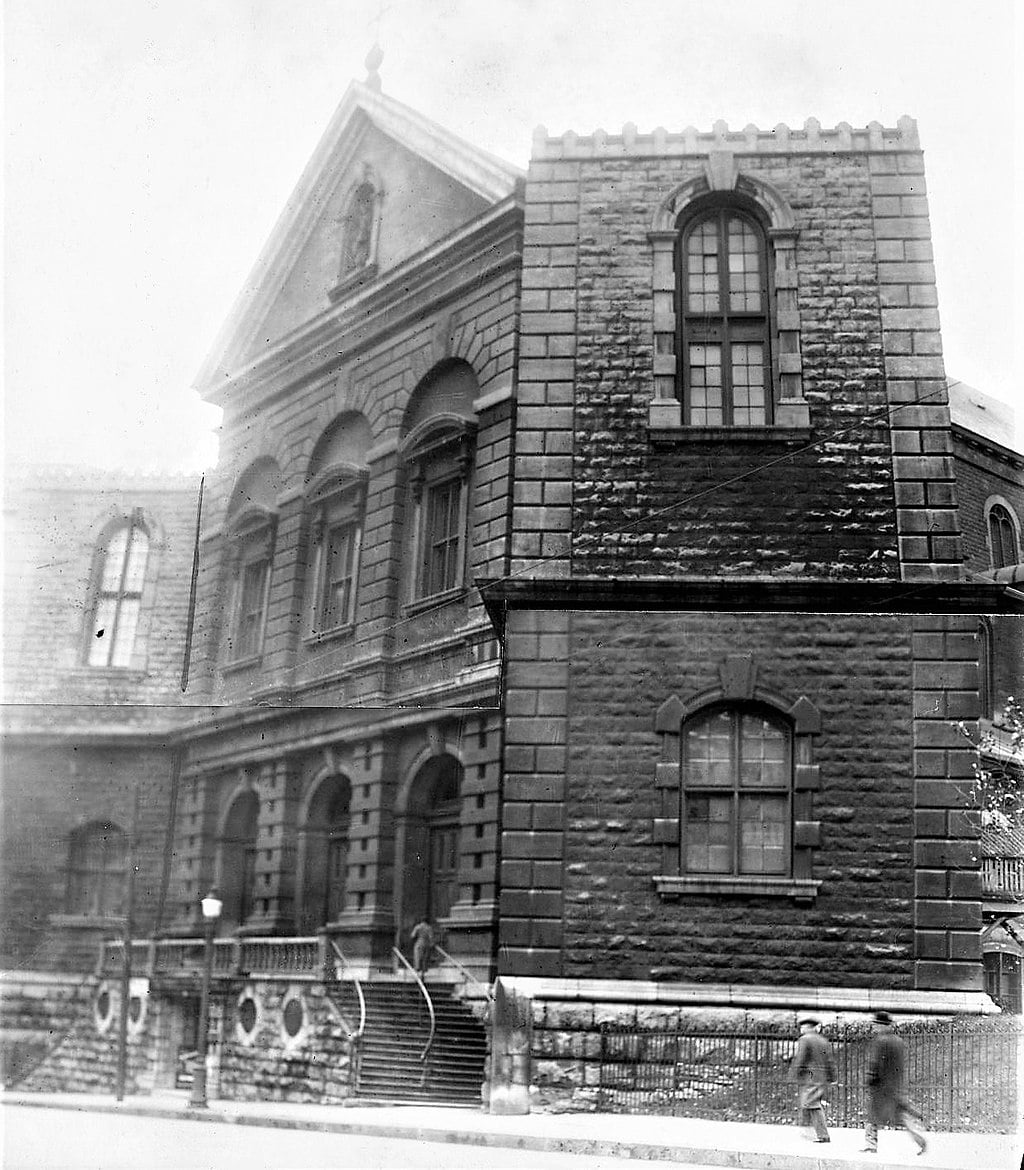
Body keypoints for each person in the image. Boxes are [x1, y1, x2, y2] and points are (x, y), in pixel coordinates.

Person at [862, 1011, 927, 1155]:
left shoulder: (880, 1041)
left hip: (880, 1086)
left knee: (872, 1115)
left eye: (876, 1025)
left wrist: (871, 1078)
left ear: (881, 1026)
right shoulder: (898, 1041)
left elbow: (875, 1063)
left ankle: (870, 1145)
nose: (874, 1028)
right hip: (895, 1085)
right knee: (900, 1117)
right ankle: (920, 1140)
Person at [788, 1015, 836, 1143]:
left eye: (803, 1027)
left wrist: (794, 1072)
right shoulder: (823, 1041)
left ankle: (821, 1135)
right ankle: (807, 1131)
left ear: (807, 1027)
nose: (801, 1029)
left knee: (812, 1104)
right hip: (821, 1077)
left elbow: (801, 1058)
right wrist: (831, 1077)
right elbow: (829, 1060)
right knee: (808, 1103)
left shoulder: (805, 1039)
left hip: (810, 1077)